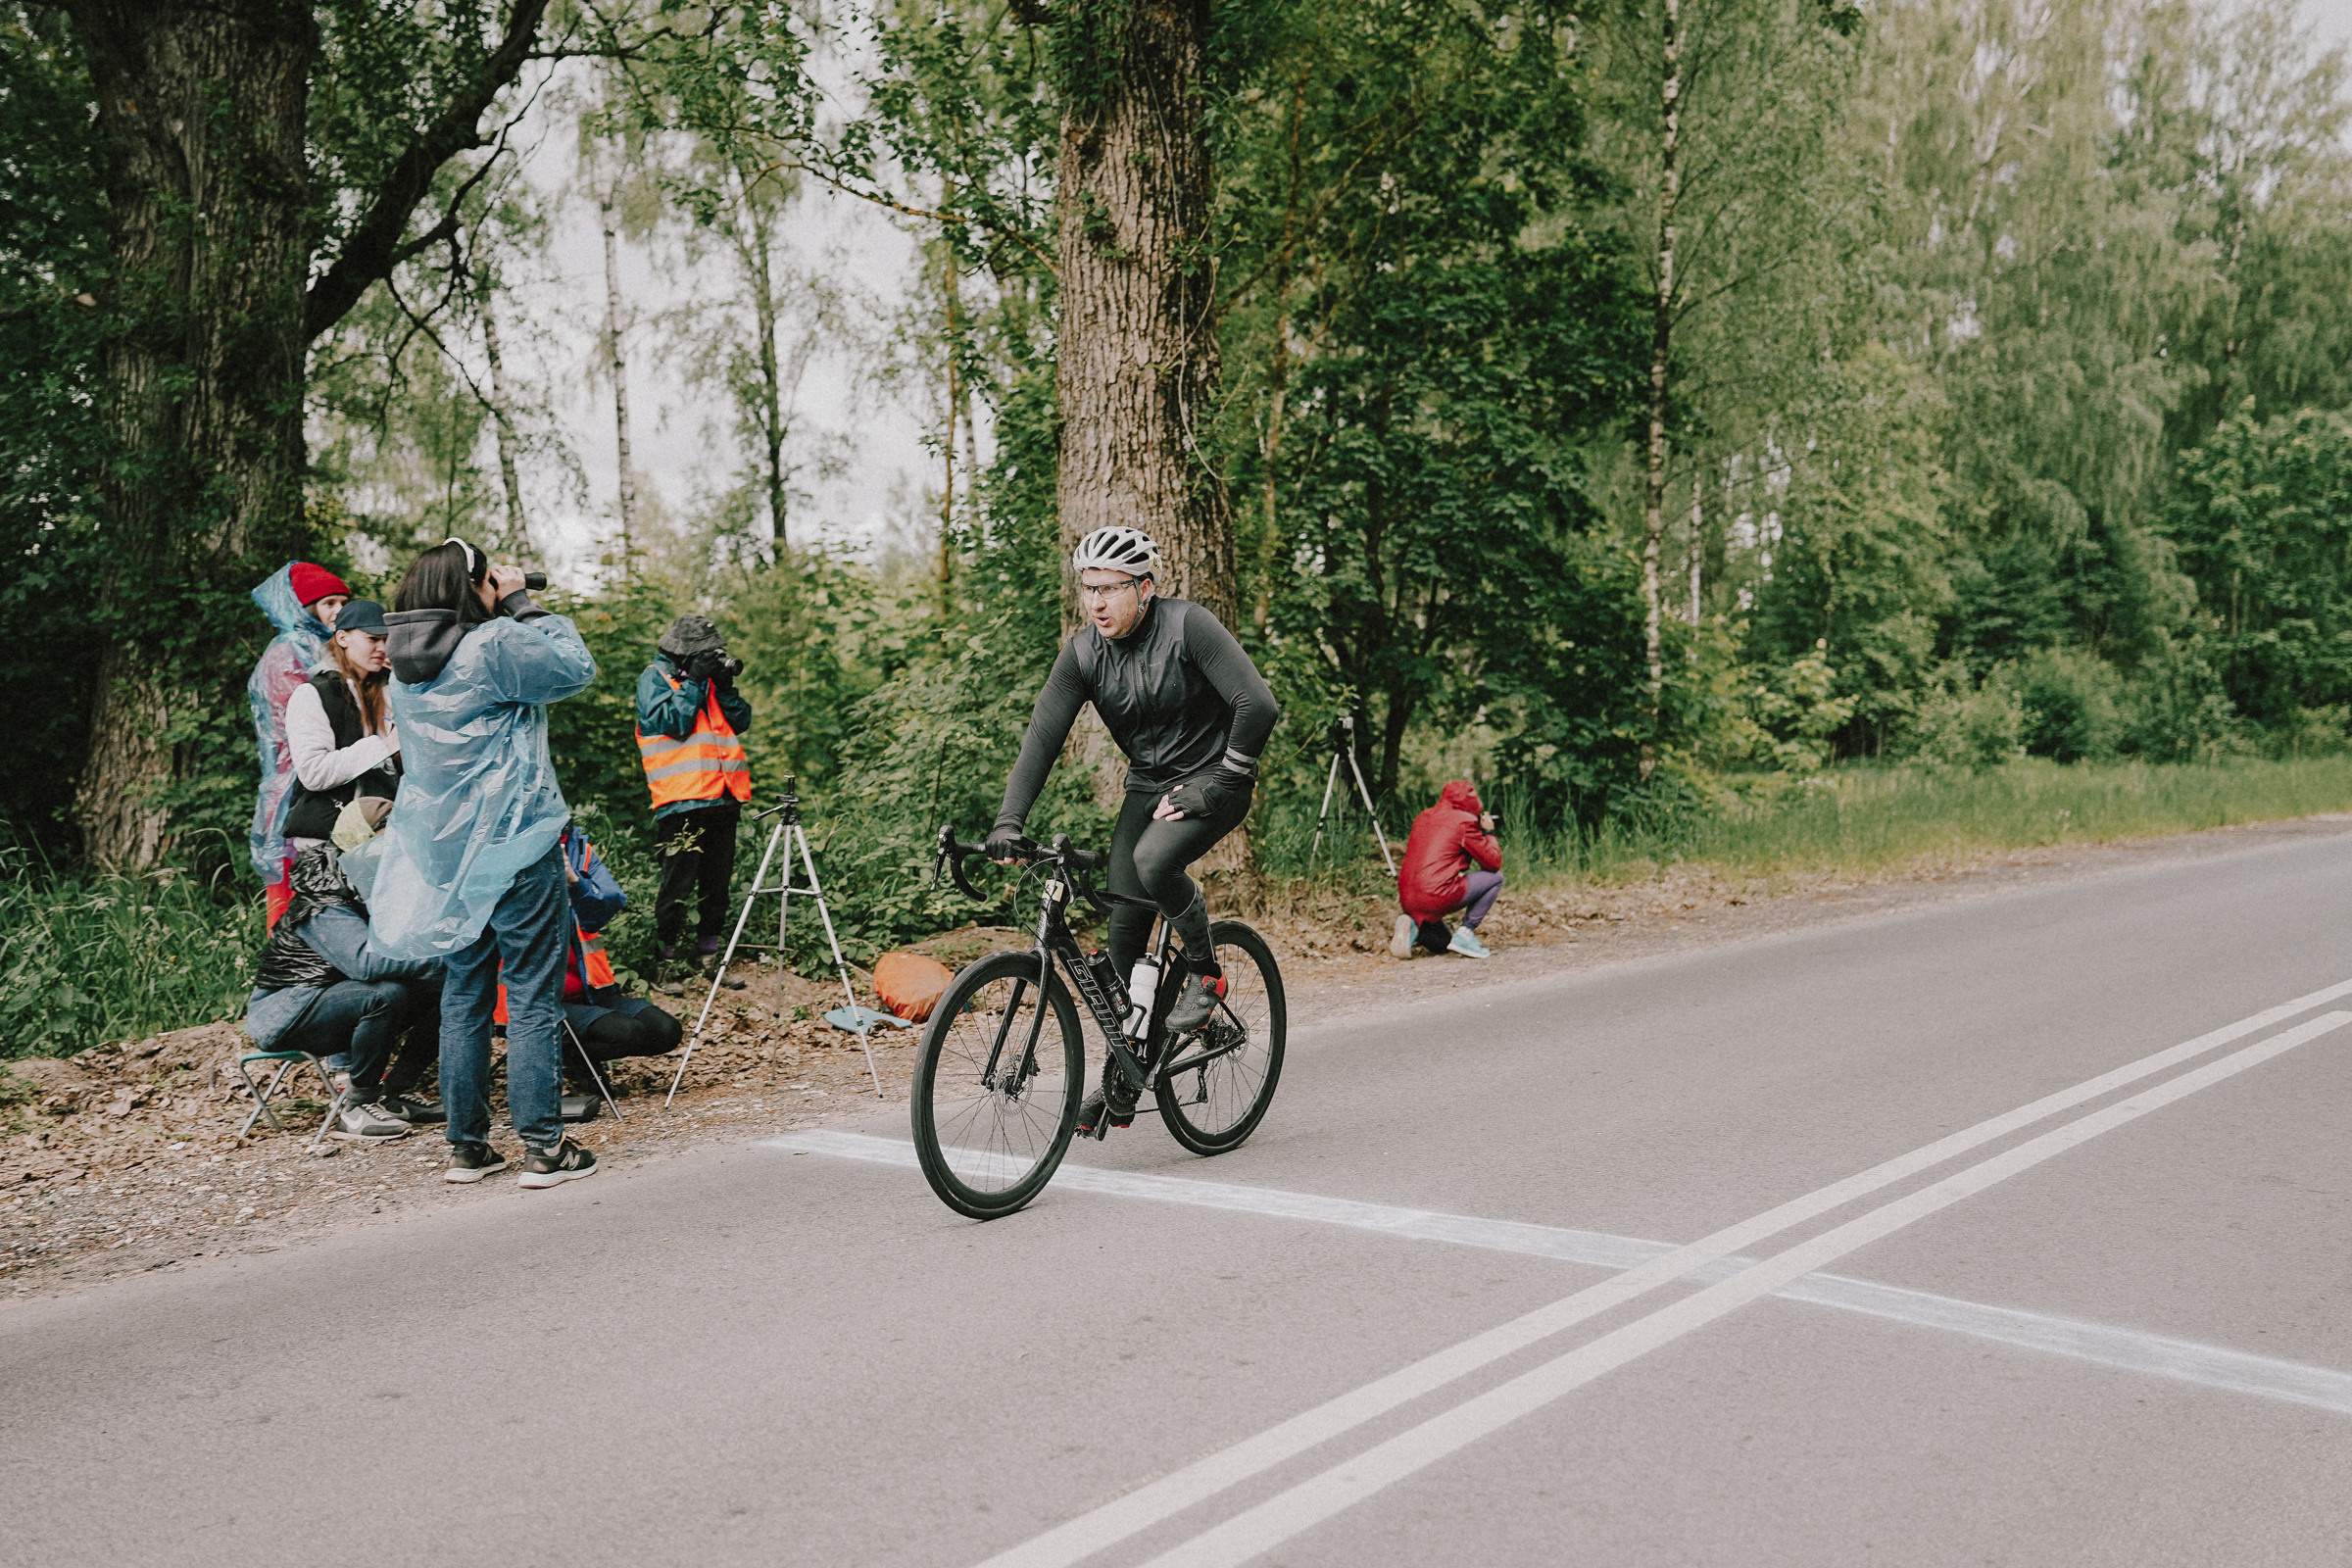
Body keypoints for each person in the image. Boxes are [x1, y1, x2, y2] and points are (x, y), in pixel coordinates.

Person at [988, 525, 1279, 1134]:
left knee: (1153, 863)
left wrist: (1221, 781)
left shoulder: (1188, 626)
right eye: (1087, 589)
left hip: (1215, 779)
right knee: (1122, 932)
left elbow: (1258, 704)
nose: (1096, 603)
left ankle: (1204, 971)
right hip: (1148, 788)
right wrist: (1009, 820)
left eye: (1111, 589)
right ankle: (1128, 1072)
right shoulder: (1083, 654)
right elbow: (1042, 737)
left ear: (1145, 589)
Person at [373, 538, 599, 1188]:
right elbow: (573, 668)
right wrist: (523, 601)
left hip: (446, 855)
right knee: (529, 992)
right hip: (514, 842)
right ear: (474, 585)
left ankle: (467, 1147)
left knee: (465, 993)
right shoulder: (492, 646)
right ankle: (544, 1147)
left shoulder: (403, 671)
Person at [242, 845, 441, 1140]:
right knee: (384, 995)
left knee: (441, 989)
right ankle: (356, 1108)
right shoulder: (322, 907)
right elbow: (364, 964)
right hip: (284, 1014)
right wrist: (440, 959)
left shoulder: (358, 901)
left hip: (326, 1002)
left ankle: (397, 1093)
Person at [636, 613, 753, 985]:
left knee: (717, 886)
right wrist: (695, 682)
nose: (712, 657)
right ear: (684, 652)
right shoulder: (655, 678)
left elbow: (741, 721)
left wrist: (725, 686)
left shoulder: (706, 681)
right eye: (706, 653)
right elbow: (674, 722)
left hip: (723, 796)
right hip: (681, 801)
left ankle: (708, 958)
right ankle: (664, 964)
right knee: (678, 888)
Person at [247, 562, 352, 927]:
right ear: (305, 608)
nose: (338, 610)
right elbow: (302, 721)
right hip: (293, 784)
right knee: (290, 883)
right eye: (328, 603)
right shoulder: (288, 651)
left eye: (343, 602)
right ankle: (284, 954)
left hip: (321, 776)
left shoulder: (324, 644)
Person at [557, 825, 683, 1098]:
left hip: (591, 991)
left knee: (667, 1031)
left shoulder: (578, 848)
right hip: (545, 1001)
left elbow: (611, 900)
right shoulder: (515, 850)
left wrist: (575, 882)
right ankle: (572, 1059)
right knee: (628, 1032)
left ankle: (577, 1056)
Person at [280, 599, 401, 859]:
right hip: (328, 845)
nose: (382, 648)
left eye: (386, 640)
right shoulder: (313, 694)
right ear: (343, 638)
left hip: (382, 835)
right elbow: (313, 772)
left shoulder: (389, 691)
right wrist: (384, 746)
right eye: (373, 639)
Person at [1391, 779, 1504, 960]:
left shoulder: (1423, 816)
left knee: (1443, 944)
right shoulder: (1465, 822)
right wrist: (1488, 832)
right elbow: (1493, 863)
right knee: (1495, 878)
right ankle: (1466, 933)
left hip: (1408, 898)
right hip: (1435, 894)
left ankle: (1412, 927)